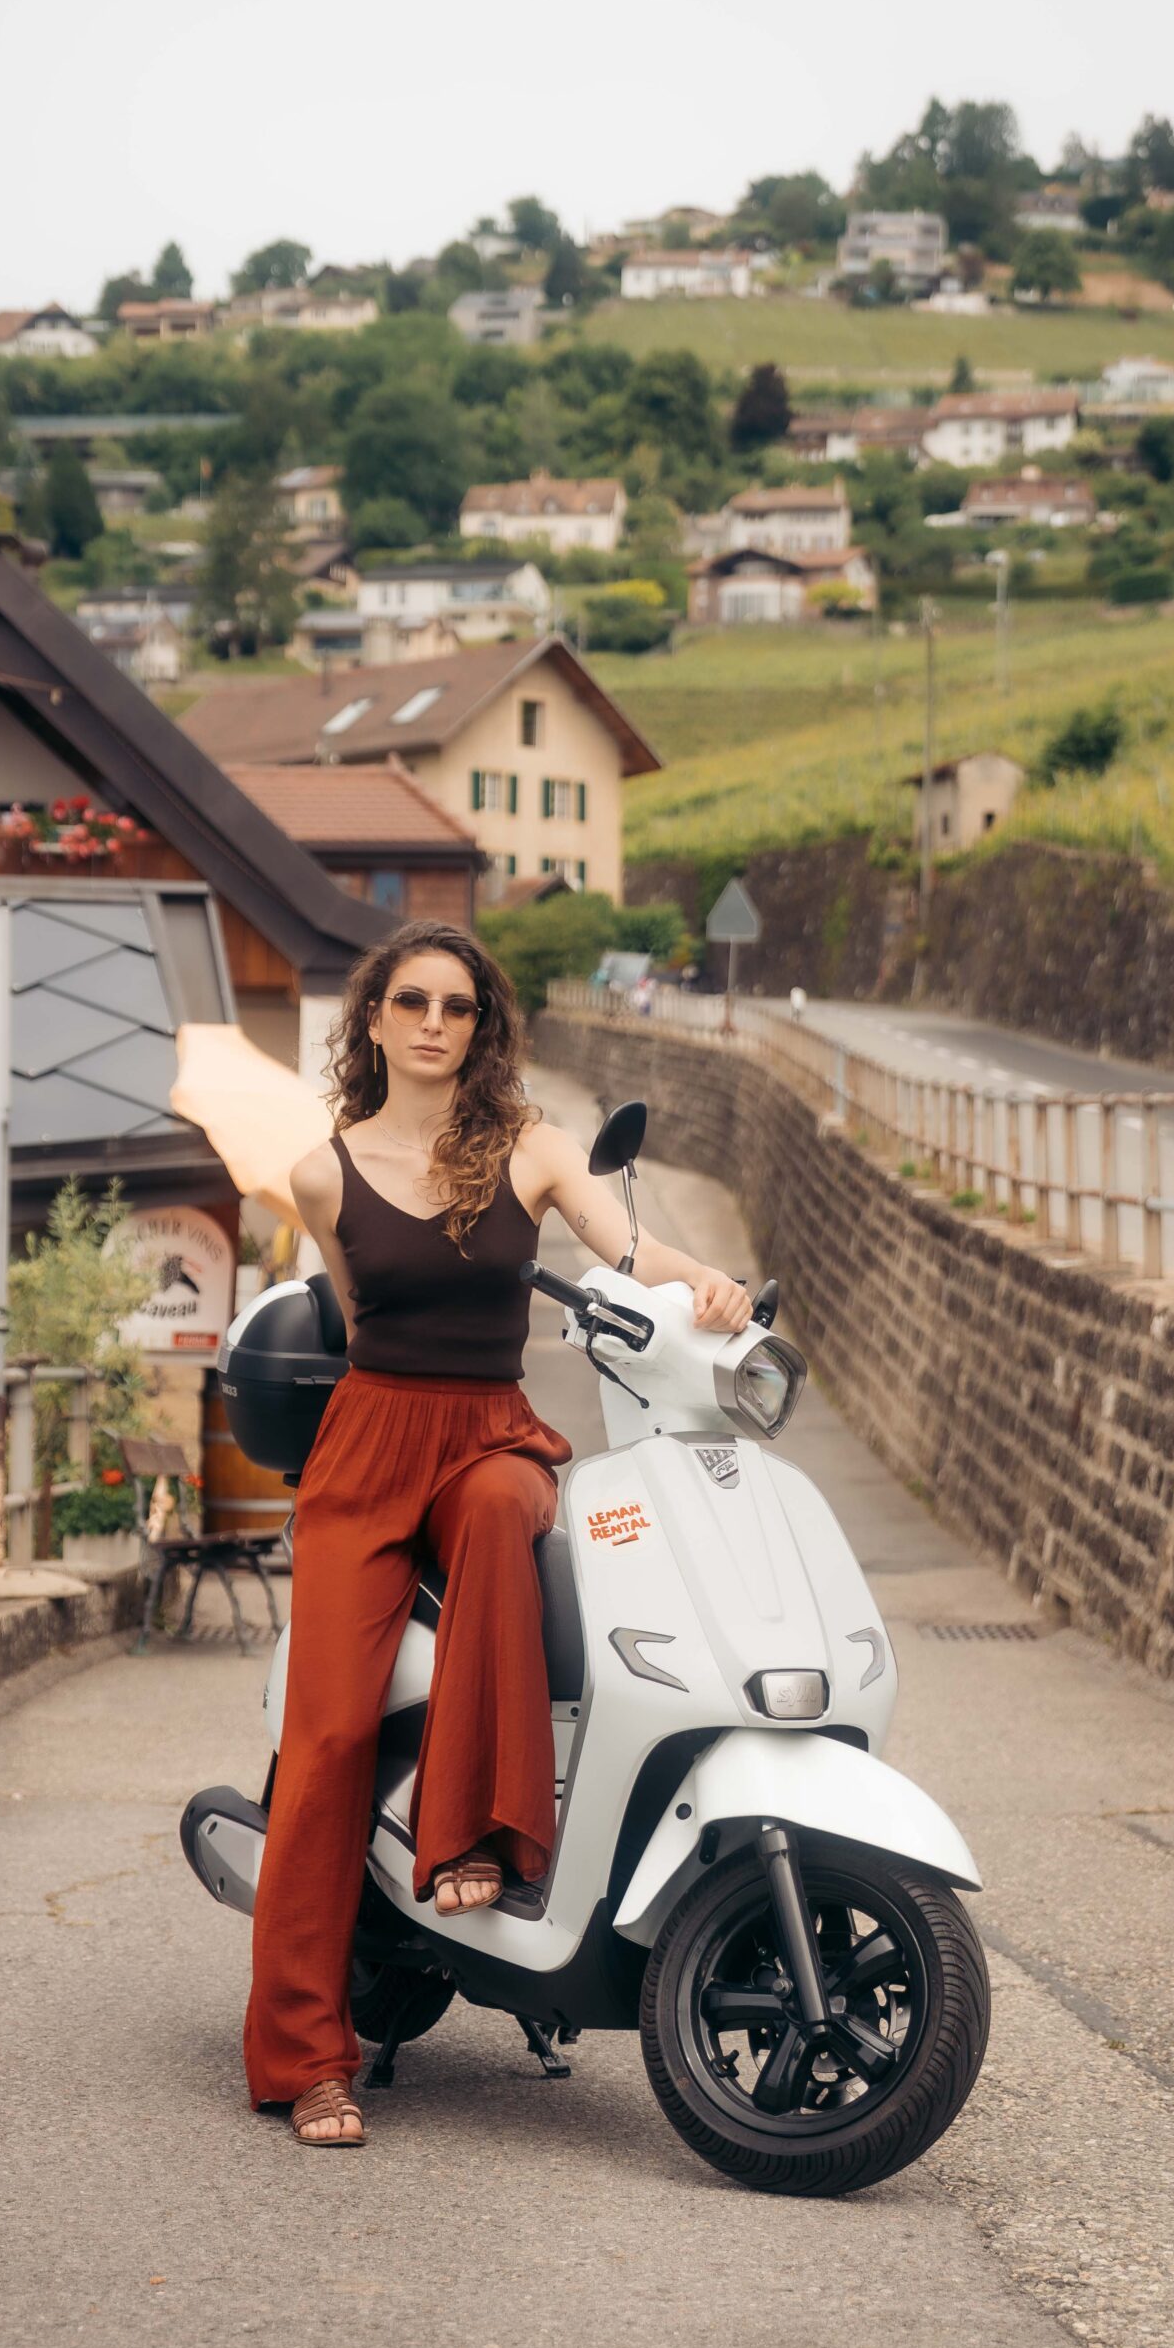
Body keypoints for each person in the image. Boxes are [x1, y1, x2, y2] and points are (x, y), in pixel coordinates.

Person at [246, 919, 752, 2147]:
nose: (432, 1021)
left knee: (492, 1511)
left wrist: (709, 1288)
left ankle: (476, 1838)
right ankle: (305, 2058)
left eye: (457, 1006)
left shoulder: (528, 1147)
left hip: (488, 1435)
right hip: (367, 1445)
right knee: (326, 1742)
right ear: (371, 1019)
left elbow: (624, 1250)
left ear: (481, 1027)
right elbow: (355, 1312)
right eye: (410, 1000)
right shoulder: (323, 1172)